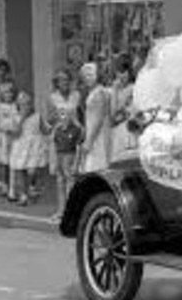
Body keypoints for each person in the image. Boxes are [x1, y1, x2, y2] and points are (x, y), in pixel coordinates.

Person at [45, 85, 84, 221]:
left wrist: (76, 164)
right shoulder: (57, 130)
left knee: (71, 184)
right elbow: (54, 147)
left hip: (70, 157)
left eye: (64, 114)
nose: (62, 117)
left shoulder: (76, 130)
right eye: (60, 114)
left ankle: (71, 211)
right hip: (60, 158)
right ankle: (61, 210)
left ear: (71, 115)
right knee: (60, 183)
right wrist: (54, 162)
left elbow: (79, 148)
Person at [8, 91, 47, 206]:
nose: (26, 106)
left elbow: (45, 130)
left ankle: (32, 186)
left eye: (29, 103)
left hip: (34, 146)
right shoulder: (15, 117)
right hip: (20, 145)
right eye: (23, 104)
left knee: (32, 170)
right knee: (20, 170)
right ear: (18, 105)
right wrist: (22, 119)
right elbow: (16, 133)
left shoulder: (37, 116)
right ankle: (23, 195)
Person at [80, 62, 114, 173]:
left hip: (97, 136)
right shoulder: (95, 92)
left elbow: (98, 119)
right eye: (85, 75)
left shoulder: (99, 93)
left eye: (90, 74)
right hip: (95, 134)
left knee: (95, 167)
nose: (87, 78)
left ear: (97, 75)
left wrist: (89, 142)